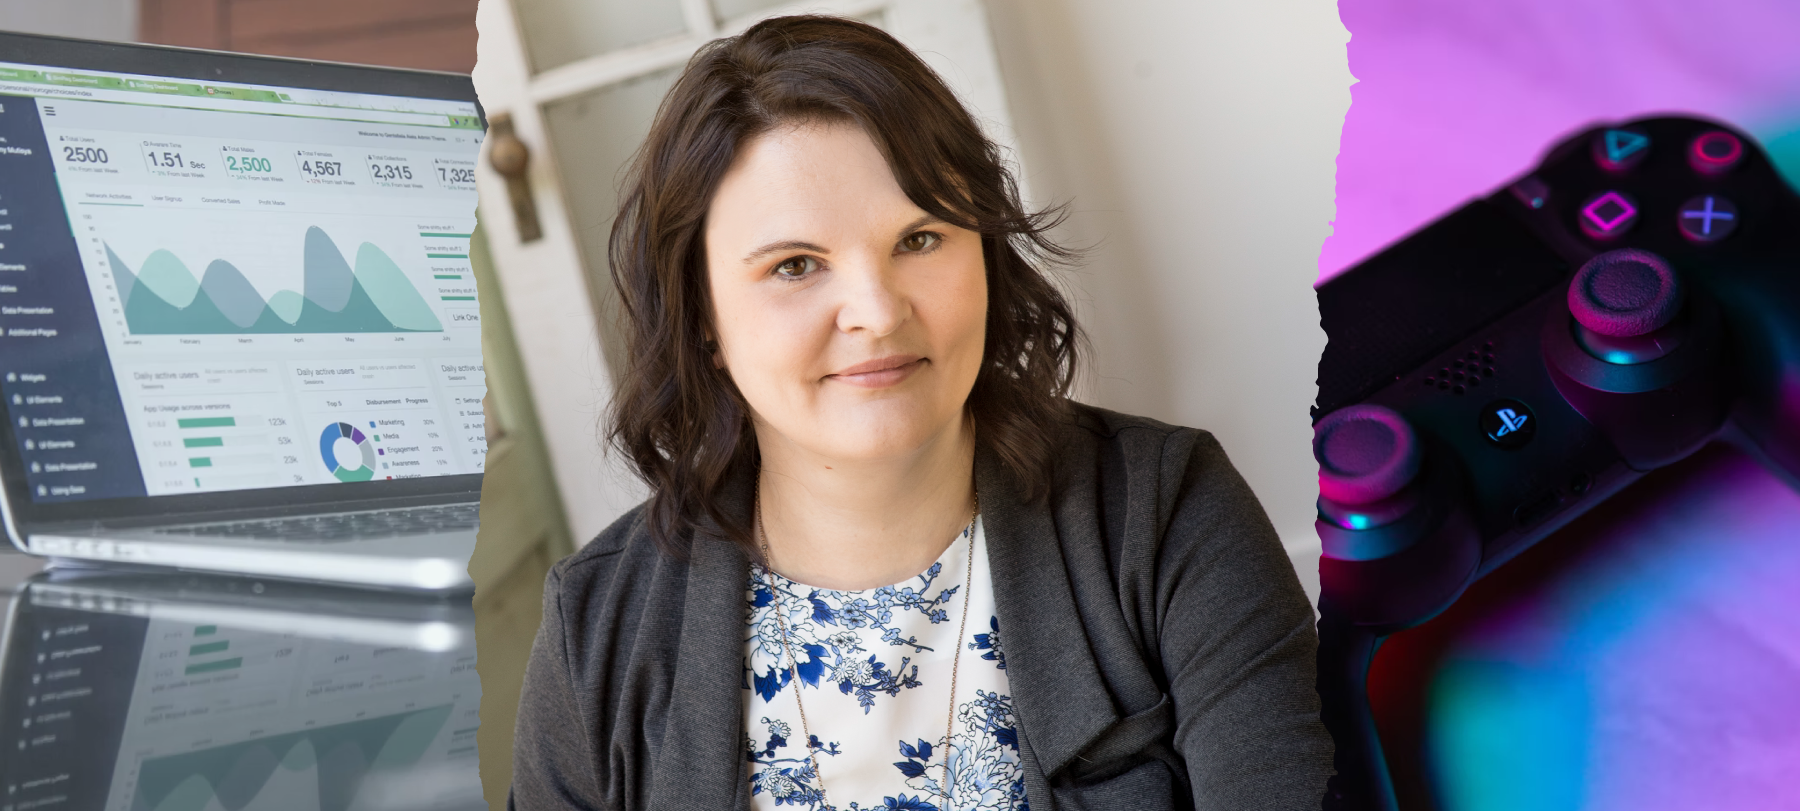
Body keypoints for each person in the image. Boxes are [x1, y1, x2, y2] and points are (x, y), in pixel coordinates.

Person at [508, 14, 1333, 811]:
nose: (876, 309)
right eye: (797, 265)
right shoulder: (594, 633)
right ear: (702, 322)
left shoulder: (1166, 512)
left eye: (921, 237)